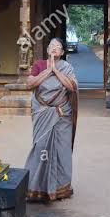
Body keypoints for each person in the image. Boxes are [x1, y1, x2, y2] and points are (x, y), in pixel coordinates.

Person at [24, 37, 78, 202]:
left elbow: (72, 87)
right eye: (52, 46)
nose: (54, 48)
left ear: (62, 52)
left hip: (62, 116)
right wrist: (48, 70)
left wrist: (56, 71)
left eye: (58, 47)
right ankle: (36, 188)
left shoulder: (67, 67)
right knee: (40, 147)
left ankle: (60, 189)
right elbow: (29, 84)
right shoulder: (39, 65)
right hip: (42, 114)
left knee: (62, 151)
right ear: (48, 50)